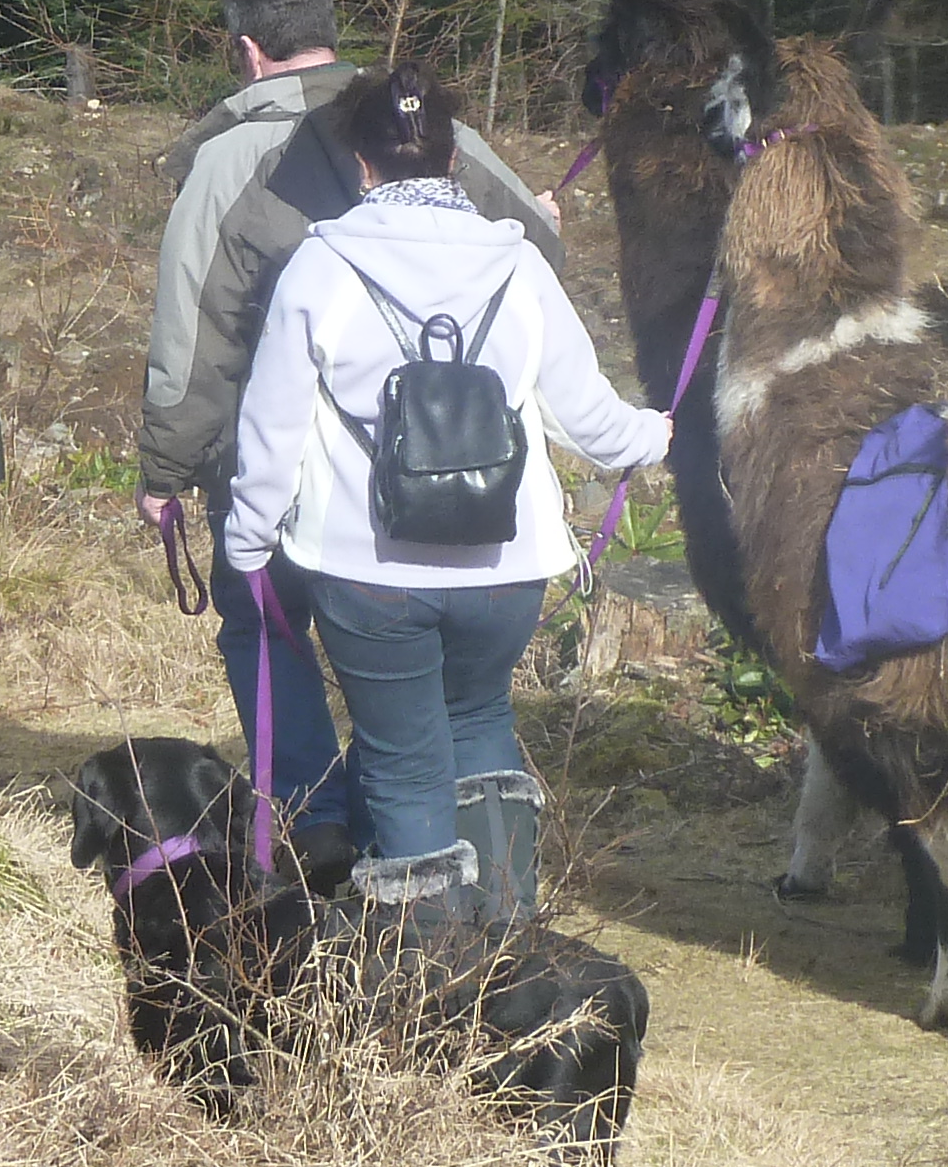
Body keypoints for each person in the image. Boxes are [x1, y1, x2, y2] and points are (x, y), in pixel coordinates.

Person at [220, 64, 666, 946]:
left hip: (364, 571)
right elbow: (598, 427)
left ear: (361, 164)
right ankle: (511, 952)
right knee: (480, 726)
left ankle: (432, 975)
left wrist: (245, 547)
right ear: (455, 157)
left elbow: (269, 434)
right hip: (507, 573)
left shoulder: (321, 263)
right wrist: (665, 432)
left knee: (402, 759)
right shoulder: (520, 265)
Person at [137, 0, 563, 860]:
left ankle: (306, 816)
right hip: (429, 470)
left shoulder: (222, 166)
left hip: (273, 464)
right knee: (414, 671)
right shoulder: (438, 137)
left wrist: (166, 471)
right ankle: (420, 842)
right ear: (331, 31)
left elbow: (192, 337)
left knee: (263, 626)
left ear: (246, 49)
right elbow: (538, 263)